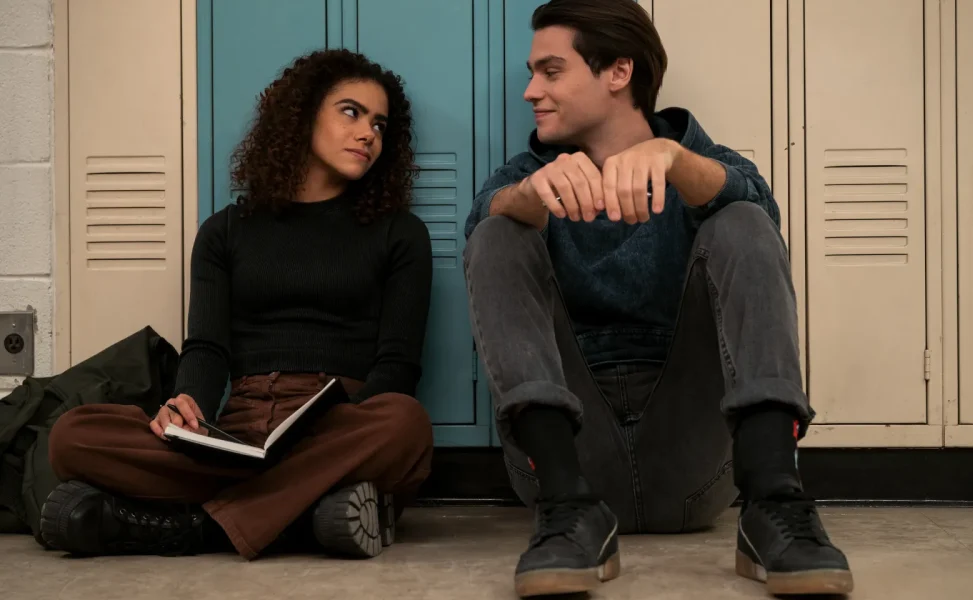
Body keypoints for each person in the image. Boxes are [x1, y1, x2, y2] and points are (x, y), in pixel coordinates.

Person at [463, 0, 852, 597]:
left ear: (618, 72)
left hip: (694, 461)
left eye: (550, 70)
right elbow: (480, 220)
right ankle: (569, 507)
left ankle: (774, 499)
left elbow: (758, 209)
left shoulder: (705, 161)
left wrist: (672, 160)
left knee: (741, 218)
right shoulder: (525, 170)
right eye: (531, 72)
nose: (530, 92)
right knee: (497, 229)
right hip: (565, 465)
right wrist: (528, 196)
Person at [40, 49, 434, 561]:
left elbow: (397, 367)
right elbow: (206, 348)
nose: (368, 134)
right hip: (239, 431)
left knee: (404, 425)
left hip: (336, 425)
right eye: (351, 112)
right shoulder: (226, 231)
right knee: (73, 435)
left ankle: (192, 528)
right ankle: (302, 512)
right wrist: (187, 408)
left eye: (380, 124)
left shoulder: (400, 234)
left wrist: (331, 428)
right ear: (302, 113)